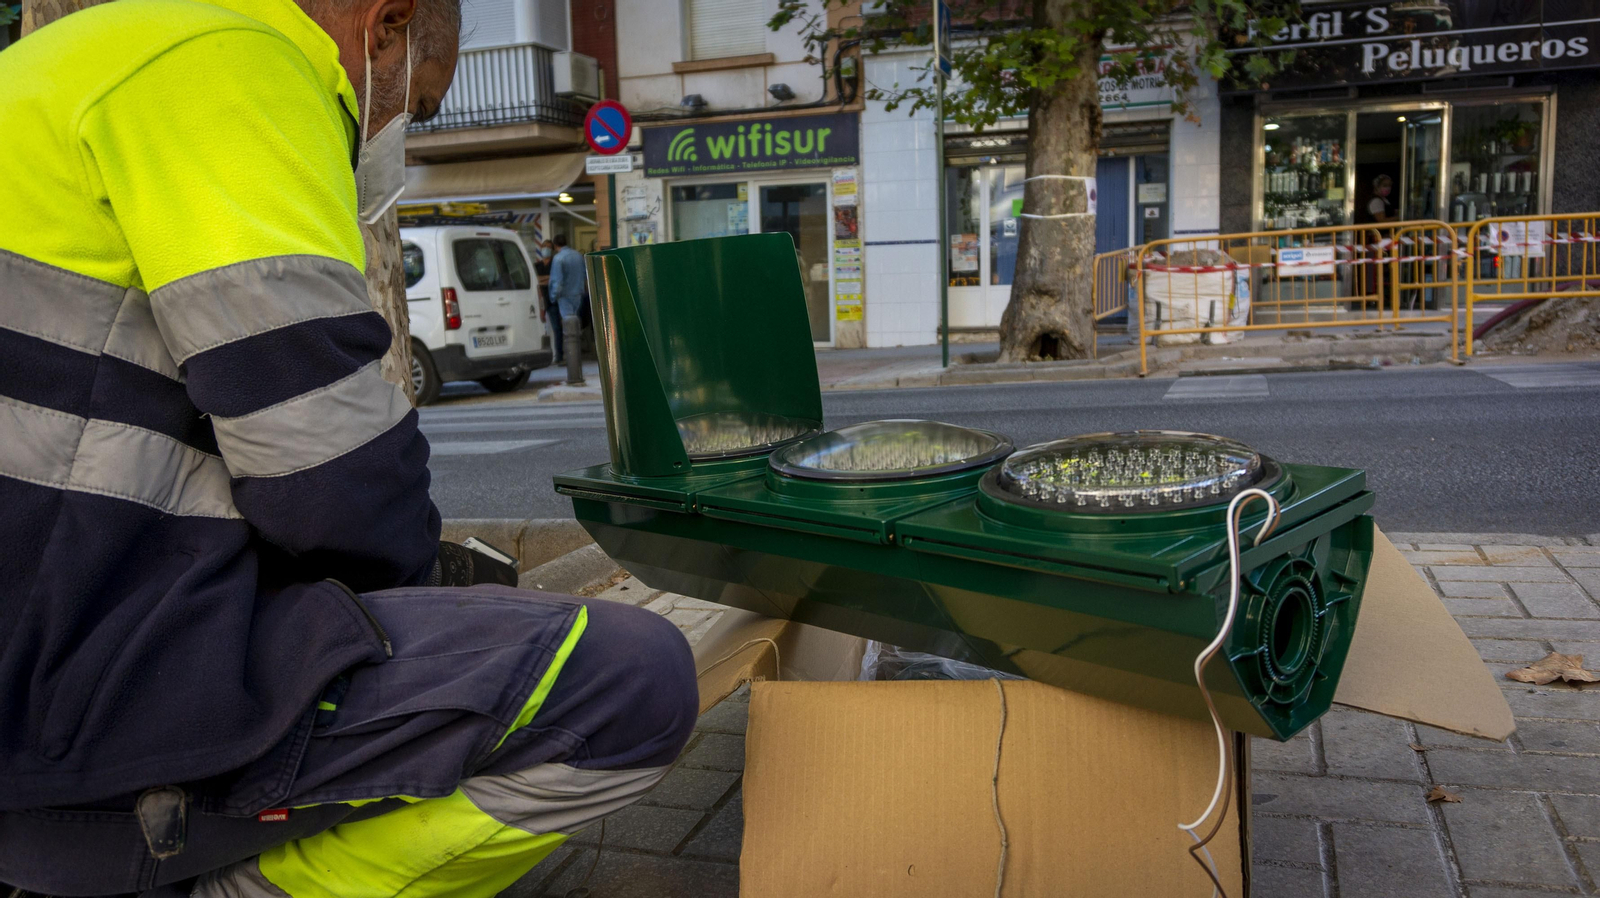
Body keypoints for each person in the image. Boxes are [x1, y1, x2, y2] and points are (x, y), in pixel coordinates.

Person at [0, 1, 697, 896]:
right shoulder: (233, 62)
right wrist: (426, 589)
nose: (396, 129)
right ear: (387, 28)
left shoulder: (69, 62)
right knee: (629, 680)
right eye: (423, 100)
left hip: (48, 634)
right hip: (63, 689)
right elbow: (326, 472)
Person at [547, 234, 588, 363]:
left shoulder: (558, 259)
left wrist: (553, 297)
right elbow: (584, 275)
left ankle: (571, 359)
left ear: (554, 245)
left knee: (568, 328)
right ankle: (575, 356)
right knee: (575, 326)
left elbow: (557, 282)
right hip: (578, 294)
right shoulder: (578, 255)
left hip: (564, 296)